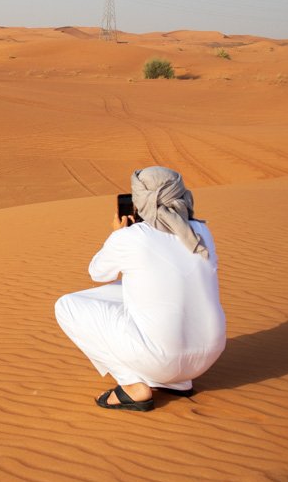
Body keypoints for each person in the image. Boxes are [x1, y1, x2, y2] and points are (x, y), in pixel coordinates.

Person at [53, 166, 226, 412]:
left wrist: (117, 235)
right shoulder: (201, 231)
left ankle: (132, 385)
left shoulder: (132, 237)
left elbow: (98, 272)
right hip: (208, 356)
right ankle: (175, 382)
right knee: (139, 288)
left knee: (67, 306)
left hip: (161, 358)